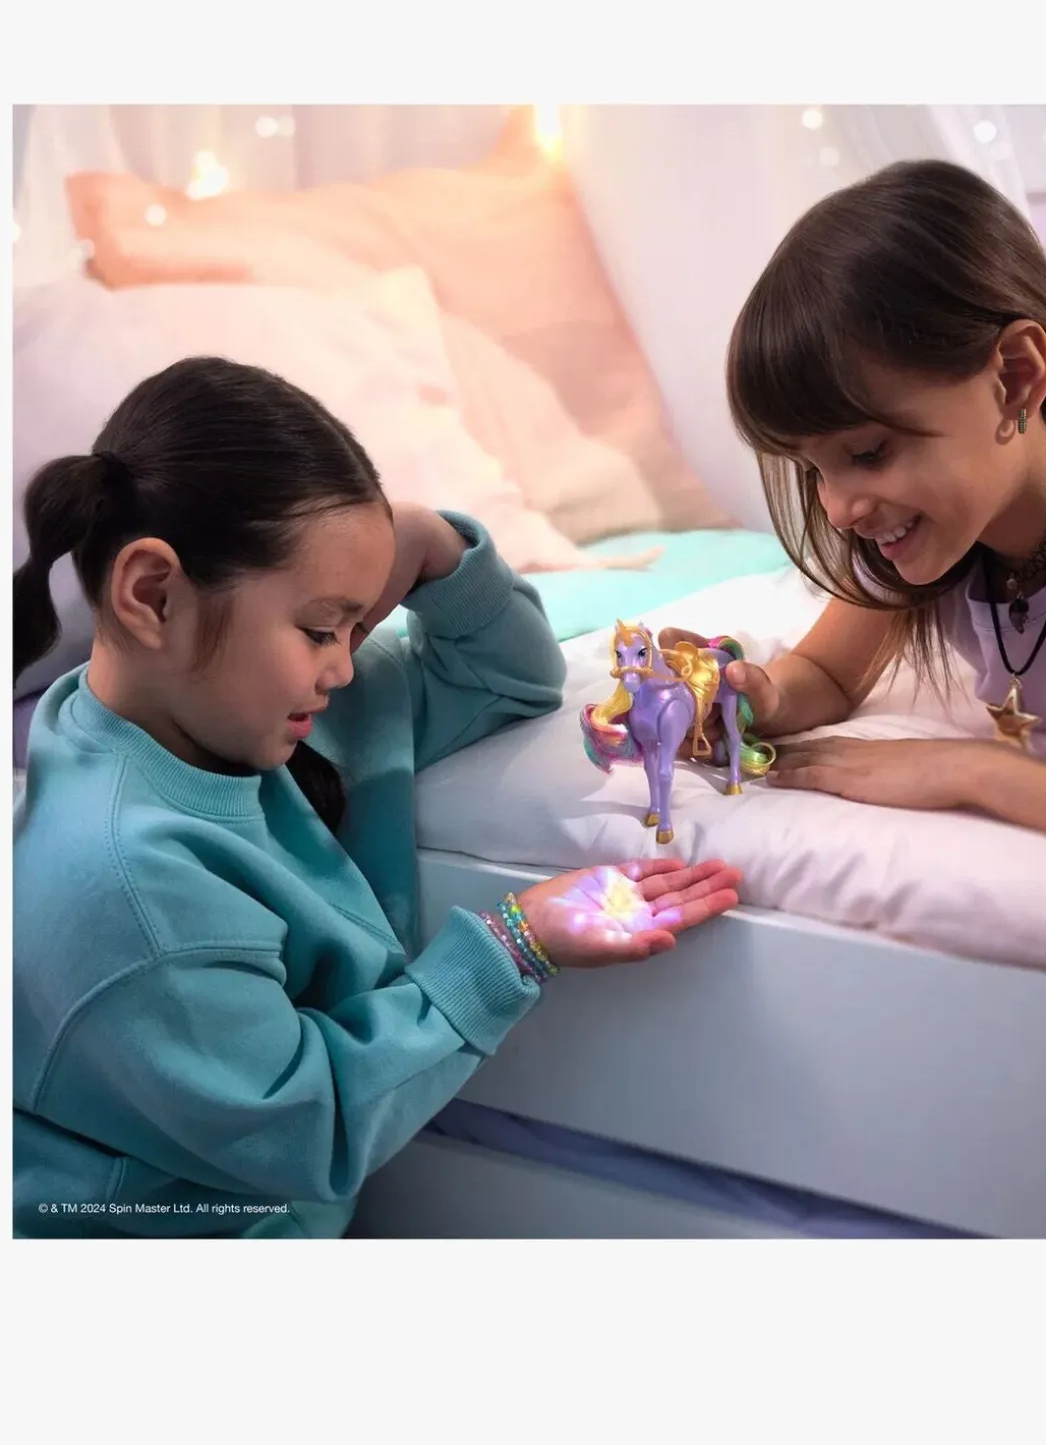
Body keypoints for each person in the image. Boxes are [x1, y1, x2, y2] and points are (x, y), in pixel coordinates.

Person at [13, 357, 742, 1238]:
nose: (345, 666)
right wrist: (515, 943)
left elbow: (511, 679)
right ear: (153, 595)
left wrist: (435, 548)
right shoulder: (123, 878)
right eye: (321, 628)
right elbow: (305, 1125)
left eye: (355, 628)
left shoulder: (248, 712)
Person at [663, 159, 1046, 861]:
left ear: (1016, 376)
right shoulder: (937, 526)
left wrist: (975, 772)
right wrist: (754, 699)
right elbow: (829, 673)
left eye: (867, 453)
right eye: (813, 469)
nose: (837, 511)